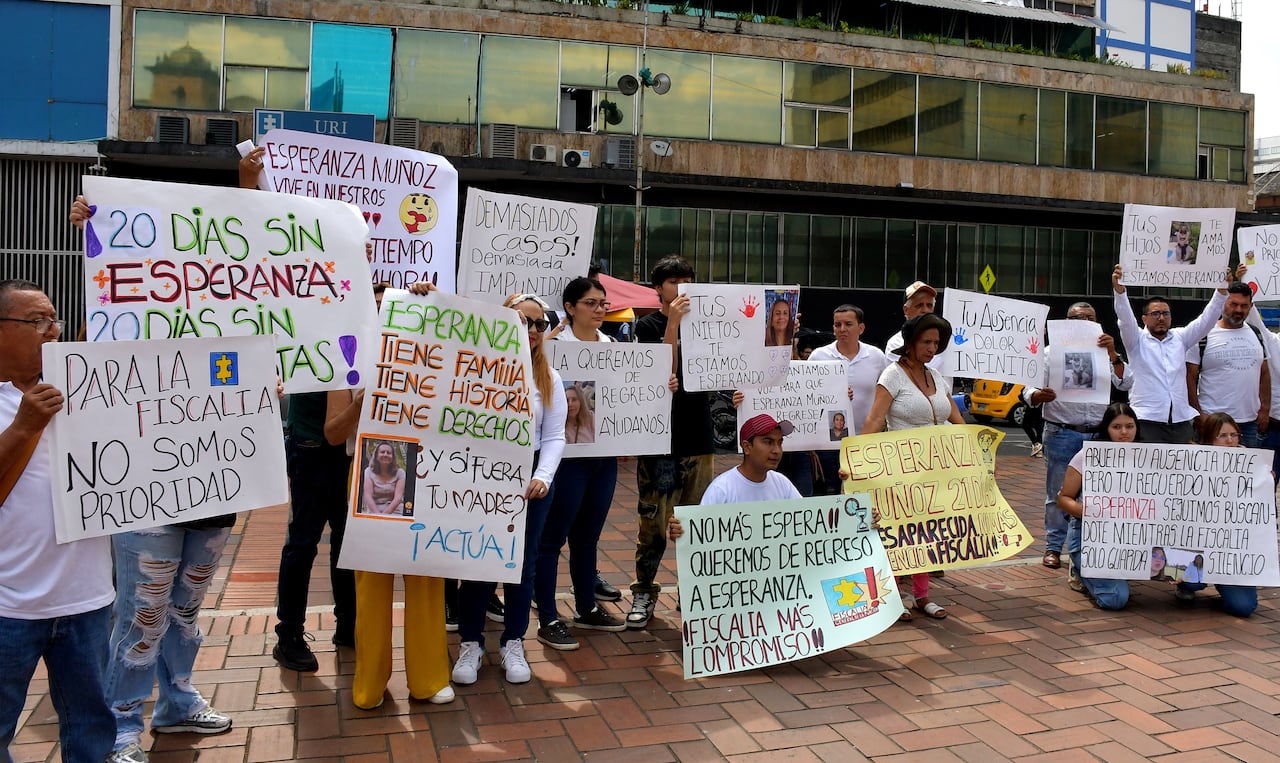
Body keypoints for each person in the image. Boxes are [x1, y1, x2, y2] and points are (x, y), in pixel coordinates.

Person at [70, 195, 236, 763]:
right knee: (143, 611)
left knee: (187, 608)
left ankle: (178, 701)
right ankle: (121, 724)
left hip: (214, 496)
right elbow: (107, 307)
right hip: (149, 498)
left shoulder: (240, 336)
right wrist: (97, 236)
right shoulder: (134, 326)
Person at [0, 279, 116, 763]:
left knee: (91, 729)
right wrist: (25, 426)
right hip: (10, 608)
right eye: (37, 321)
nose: (52, 331)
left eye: (54, 320)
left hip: (87, 600)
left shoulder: (85, 384)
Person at [324, 280, 453, 710]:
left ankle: (429, 679)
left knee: (427, 579)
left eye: (393, 308)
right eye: (377, 307)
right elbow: (331, 434)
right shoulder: (345, 360)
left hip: (425, 474)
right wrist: (360, 406)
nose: (385, 315)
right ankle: (370, 683)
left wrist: (429, 301)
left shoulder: (428, 357)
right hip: (365, 479)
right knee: (371, 584)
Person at [453, 293, 567, 685]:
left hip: (529, 479)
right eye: (523, 321)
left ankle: (513, 641)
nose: (533, 330)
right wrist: (425, 298)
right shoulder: (474, 368)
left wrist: (544, 476)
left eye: (539, 323)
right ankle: (470, 641)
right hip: (481, 475)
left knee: (522, 564)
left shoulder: (548, 378)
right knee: (476, 561)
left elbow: (554, 436)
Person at [534, 277, 630, 652]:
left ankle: (587, 606)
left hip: (602, 458)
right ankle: (547, 616)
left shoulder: (615, 346)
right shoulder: (553, 347)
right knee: (551, 539)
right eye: (591, 303)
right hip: (565, 459)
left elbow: (629, 394)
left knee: (588, 536)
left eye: (603, 303)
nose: (600, 309)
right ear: (570, 308)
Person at [629, 256, 715, 630]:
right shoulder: (647, 324)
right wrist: (675, 324)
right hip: (659, 440)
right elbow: (660, 370)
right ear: (658, 288)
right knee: (654, 523)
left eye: (688, 279)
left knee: (698, 520)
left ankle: (693, 591)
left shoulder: (710, 324)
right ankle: (644, 590)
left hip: (698, 436)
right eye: (673, 281)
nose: (682, 286)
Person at [862, 313, 966, 621]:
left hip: (934, 470)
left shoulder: (936, 377)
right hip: (899, 467)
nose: (932, 348)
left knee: (926, 532)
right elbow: (874, 419)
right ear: (909, 343)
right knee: (898, 532)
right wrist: (854, 460)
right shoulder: (892, 375)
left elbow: (957, 421)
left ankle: (921, 596)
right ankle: (894, 596)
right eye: (926, 342)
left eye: (936, 342)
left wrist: (979, 456)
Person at [1021, 301, 1132, 574]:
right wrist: (1039, 396)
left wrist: (1113, 354)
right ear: (1068, 322)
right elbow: (1027, 391)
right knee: (1058, 493)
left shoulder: (1105, 352)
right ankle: (1054, 547)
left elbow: (1126, 383)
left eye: (1090, 317)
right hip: (1061, 430)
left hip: (1097, 434)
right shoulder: (1049, 353)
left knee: (1096, 494)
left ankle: (1087, 546)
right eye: (1078, 317)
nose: (1084, 321)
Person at [1111, 264, 1235, 444]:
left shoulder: (1180, 337)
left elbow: (1206, 321)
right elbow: (1124, 319)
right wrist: (1120, 291)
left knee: (1182, 471)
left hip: (1181, 420)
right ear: (1144, 318)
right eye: (1155, 313)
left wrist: (1221, 292)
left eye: (1165, 313)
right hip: (1147, 420)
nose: (1161, 318)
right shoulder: (1135, 340)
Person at [667, 414, 803, 542]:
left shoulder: (783, 484)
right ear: (747, 447)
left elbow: (804, 521)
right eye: (768, 442)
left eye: (780, 443)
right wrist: (682, 532)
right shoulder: (722, 489)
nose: (776, 450)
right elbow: (700, 534)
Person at [1056, 402, 1139, 610]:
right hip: (1088, 534)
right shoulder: (1087, 456)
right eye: (1116, 427)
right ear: (1106, 429)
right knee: (1115, 599)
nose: (1124, 432)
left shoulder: (1147, 458)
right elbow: (1064, 498)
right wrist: (1087, 512)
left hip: (1127, 538)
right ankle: (1079, 570)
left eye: (1129, 426)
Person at [1173, 413, 1258, 617]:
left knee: (1244, 607)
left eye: (1234, 435)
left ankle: (1224, 582)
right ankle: (1186, 586)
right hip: (1199, 546)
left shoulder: (1253, 465)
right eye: (1222, 436)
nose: (1230, 440)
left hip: (1232, 552)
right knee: (1190, 581)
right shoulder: (1191, 464)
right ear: (1210, 438)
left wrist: (1265, 480)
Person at [810, 304, 889, 494]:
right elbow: (808, 396)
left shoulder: (876, 357)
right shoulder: (818, 357)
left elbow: (887, 392)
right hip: (829, 444)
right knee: (832, 494)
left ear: (861, 328)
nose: (842, 329)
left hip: (866, 440)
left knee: (865, 494)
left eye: (848, 324)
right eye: (838, 325)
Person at [1187, 281, 1269, 447]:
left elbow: (1264, 373)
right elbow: (1189, 377)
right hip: (1213, 423)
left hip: (1250, 423)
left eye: (1244, 306)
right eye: (1234, 304)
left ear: (1250, 306)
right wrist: (1198, 414)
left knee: (1247, 473)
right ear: (1223, 302)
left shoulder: (1257, 333)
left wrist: (1265, 409)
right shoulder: (1203, 334)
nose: (1238, 310)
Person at [361, 441, 407, 515]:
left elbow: (398, 498)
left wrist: (384, 516)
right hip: (374, 511)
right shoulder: (368, 471)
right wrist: (378, 516)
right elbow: (368, 496)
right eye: (382, 452)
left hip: (396, 511)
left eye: (388, 453)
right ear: (376, 455)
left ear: (393, 457)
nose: (385, 454)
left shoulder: (400, 473)